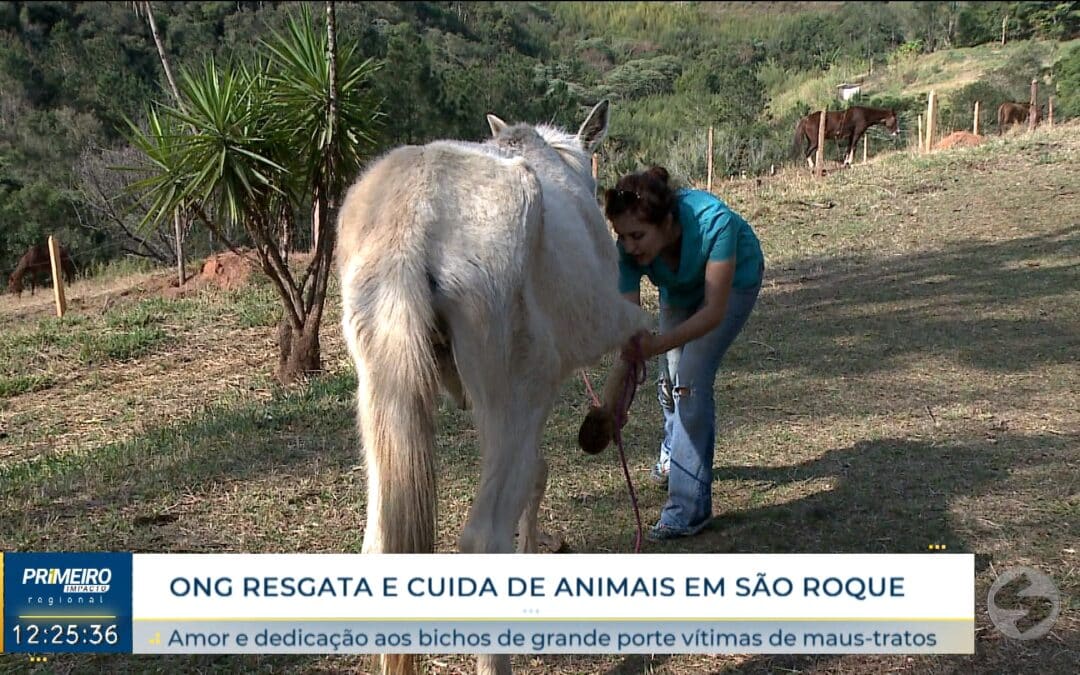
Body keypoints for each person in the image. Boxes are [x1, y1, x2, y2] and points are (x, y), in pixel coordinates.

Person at [605, 166, 765, 541]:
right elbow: (632, 323)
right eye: (622, 236)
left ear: (667, 222)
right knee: (670, 381)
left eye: (637, 236)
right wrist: (620, 395)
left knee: (689, 383)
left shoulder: (715, 222)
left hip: (732, 285)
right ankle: (673, 451)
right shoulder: (628, 249)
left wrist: (658, 343)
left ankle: (688, 509)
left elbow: (712, 312)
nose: (629, 246)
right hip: (679, 290)